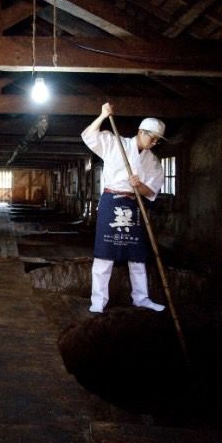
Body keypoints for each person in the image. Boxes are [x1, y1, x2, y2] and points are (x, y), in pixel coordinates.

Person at [82, 102, 167, 313]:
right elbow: (89, 136)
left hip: (133, 204)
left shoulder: (152, 161)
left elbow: (151, 191)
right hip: (111, 201)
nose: (154, 142)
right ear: (141, 132)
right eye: (152, 137)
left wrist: (139, 185)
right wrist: (102, 116)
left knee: (137, 256)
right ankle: (98, 302)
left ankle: (141, 298)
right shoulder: (115, 143)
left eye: (157, 140)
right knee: (104, 254)